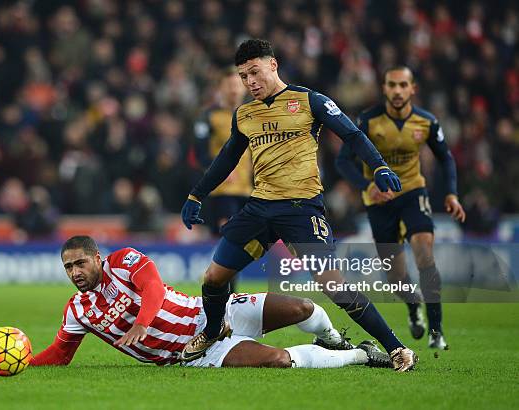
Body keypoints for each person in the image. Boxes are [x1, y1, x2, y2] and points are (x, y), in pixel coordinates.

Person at [179, 39, 417, 371]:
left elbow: (352, 135)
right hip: (259, 208)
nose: (250, 82)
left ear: (273, 65)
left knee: (333, 285)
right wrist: (196, 194)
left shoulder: (309, 100)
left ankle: (396, 348)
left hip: (301, 208)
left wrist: (378, 166)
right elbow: (225, 160)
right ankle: (214, 329)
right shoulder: (245, 114)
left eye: (254, 72)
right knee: (214, 277)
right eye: (244, 76)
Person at [30, 235, 392, 369]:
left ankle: (331, 339)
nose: (75, 272)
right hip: (196, 352)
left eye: (80, 263)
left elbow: (153, 288)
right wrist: (21, 361)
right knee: (280, 360)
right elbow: (60, 355)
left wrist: (142, 322)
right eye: (68, 267)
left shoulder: (123, 260)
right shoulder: (77, 312)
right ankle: (360, 355)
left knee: (305, 308)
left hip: (214, 313)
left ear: (97, 258)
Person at [335, 66, 466, 349]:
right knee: (395, 276)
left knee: (424, 253)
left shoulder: (426, 122)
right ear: (384, 88)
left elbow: (446, 158)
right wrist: (367, 185)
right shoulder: (368, 121)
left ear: (412, 89)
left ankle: (437, 332)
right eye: (392, 85)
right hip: (380, 200)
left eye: (403, 85)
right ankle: (412, 303)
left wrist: (452, 194)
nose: (397, 91)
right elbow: (343, 161)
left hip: (412, 193)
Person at [193, 67, 253, 292]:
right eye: (230, 85)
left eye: (238, 85)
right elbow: (199, 154)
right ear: (221, 88)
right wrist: (221, 170)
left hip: (248, 189)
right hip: (223, 191)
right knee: (230, 236)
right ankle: (228, 292)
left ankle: (224, 287)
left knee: (241, 239)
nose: (234, 90)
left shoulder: (252, 113)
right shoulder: (208, 116)